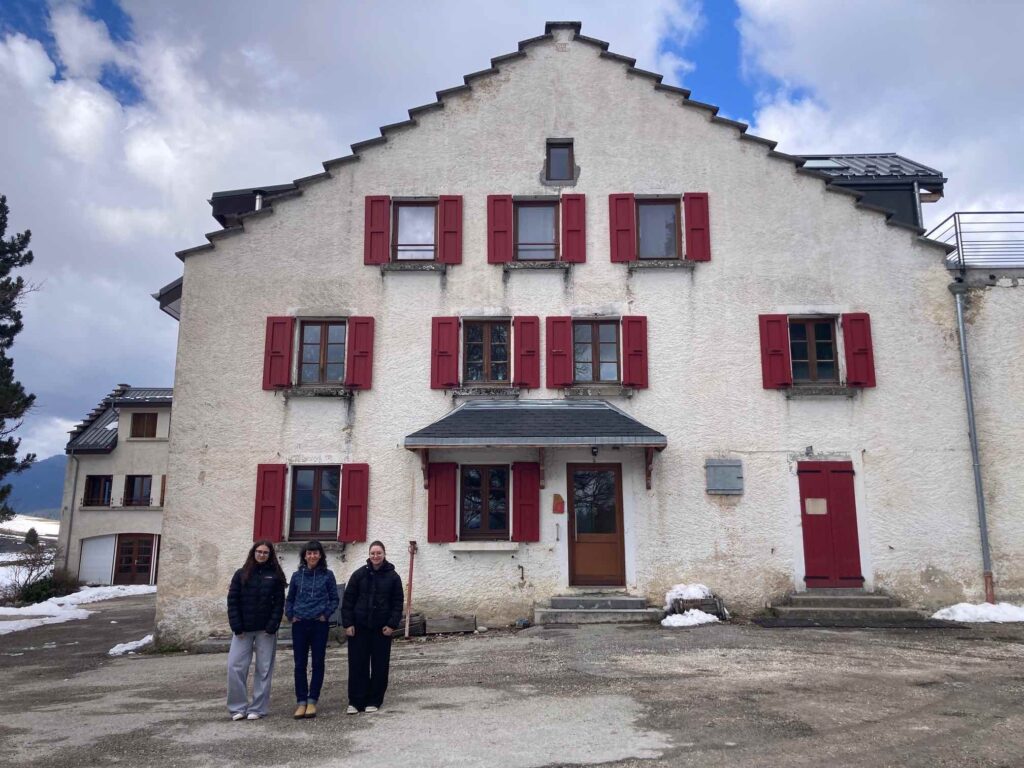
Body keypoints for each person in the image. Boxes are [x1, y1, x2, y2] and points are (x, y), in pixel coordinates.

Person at [226, 540, 287, 721]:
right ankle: (237, 707)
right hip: (243, 630)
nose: (261, 555)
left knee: (264, 669)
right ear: (253, 553)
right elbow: (233, 600)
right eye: (259, 551)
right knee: (235, 667)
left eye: (265, 552)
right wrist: (236, 626)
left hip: (265, 631)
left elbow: (279, 603)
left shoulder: (275, 576)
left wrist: (273, 625)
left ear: (270, 555)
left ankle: (258, 708)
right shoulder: (241, 574)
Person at [342, 540, 404, 714]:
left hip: (381, 630)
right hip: (359, 628)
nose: (375, 556)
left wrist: (391, 625)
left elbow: (397, 603)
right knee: (357, 665)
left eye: (379, 553)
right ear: (369, 555)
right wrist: (348, 623)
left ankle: (374, 700)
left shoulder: (393, 577)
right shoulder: (358, 575)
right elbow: (348, 601)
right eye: (372, 553)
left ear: (384, 554)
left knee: (380, 666)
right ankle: (356, 701)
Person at [285, 540, 339, 719]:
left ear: (320, 555)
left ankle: (312, 700)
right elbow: (290, 599)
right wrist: (290, 615)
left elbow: (334, 599)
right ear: (304, 556)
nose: (312, 556)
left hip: (319, 624)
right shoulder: (296, 576)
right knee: (300, 664)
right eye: (309, 553)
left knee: (318, 663)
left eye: (315, 553)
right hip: (300, 624)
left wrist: (326, 614)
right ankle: (301, 701)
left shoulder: (328, 575)